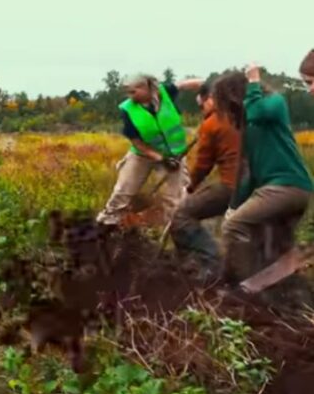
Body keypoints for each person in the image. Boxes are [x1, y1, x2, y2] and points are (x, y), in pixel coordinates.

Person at [213, 65, 313, 283]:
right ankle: (280, 291)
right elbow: (247, 172)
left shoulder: (274, 103)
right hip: (276, 188)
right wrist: (233, 206)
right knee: (267, 246)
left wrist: (254, 82)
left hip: (288, 185)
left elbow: (258, 112)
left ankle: (245, 288)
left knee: (234, 227)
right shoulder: (248, 127)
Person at [96, 73, 202, 226]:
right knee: (123, 191)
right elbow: (137, 142)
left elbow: (185, 84)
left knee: (177, 197)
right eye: (128, 92)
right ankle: (106, 224)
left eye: (133, 92)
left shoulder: (164, 92)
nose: (130, 96)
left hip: (175, 155)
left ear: (146, 87)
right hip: (142, 155)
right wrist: (160, 158)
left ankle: (177, 229)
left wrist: (212, 86)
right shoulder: (128, 110)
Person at [169, 81, 242, 264]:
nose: (201, 110)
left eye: (201, 105)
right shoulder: (242, 115)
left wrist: (191, 186)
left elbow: (203, 165)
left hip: (232, 186)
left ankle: (211, 261)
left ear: (210, 99)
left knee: (182, 216)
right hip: (258, 183)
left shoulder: (211, 123)